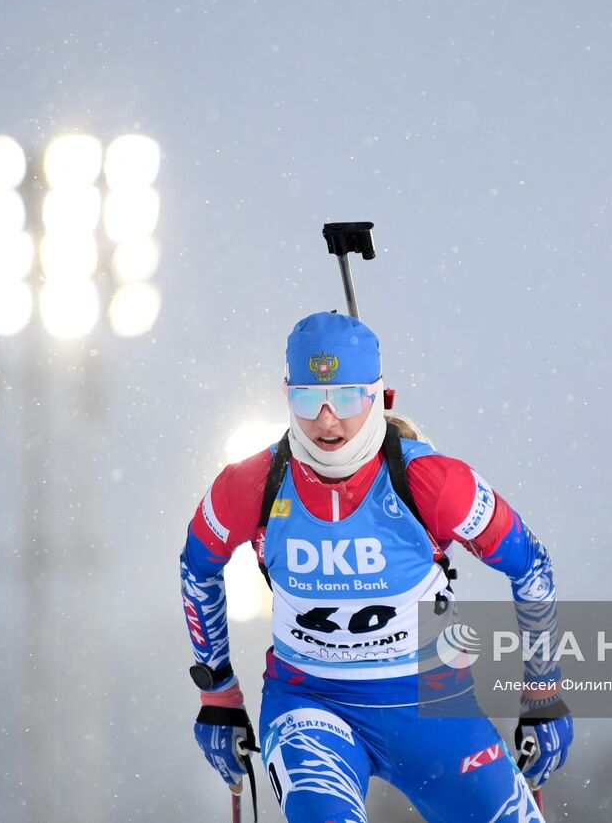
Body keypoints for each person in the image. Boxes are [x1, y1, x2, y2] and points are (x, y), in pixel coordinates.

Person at [181, 312, 573, 822]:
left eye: (345, 398)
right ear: (286, 394)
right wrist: (219, 695)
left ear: (376, 396)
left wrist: (544, 694)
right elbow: (197, 568)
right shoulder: (252, 485)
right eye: (307, 399)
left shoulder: (433, 483)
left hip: (432, 708)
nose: (326, 420)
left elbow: (530, 566)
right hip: (312, 707)